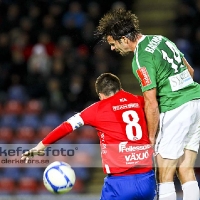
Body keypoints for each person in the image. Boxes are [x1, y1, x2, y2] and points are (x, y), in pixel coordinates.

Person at [95, 8, 200, 200]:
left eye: (112, 43)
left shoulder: (140, 58)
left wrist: (151, 137)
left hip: (176, 108)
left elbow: (151, 103)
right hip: (196, 101)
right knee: (186, 169)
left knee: (163, 174)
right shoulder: (161, 39)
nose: (112, 48)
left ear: (124, 39)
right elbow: (190, 71)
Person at [21, 73, 156, 200]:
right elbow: (156, 110)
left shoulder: (97, 109)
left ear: (100, 95)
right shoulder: (140, 101)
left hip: (120, 183)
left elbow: (67, 126)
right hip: (147, 180)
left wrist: (40, 146)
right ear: (119, 88)